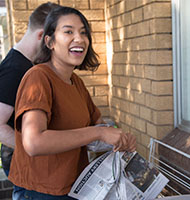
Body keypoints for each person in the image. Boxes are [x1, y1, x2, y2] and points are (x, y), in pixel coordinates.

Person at [8, 6, 136, 200]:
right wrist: (100, 132)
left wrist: (118, 138)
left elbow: (98, 124)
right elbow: (33, 142)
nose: (79, 38)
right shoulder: (38, 78)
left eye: (84, 33)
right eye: (68, 31)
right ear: (49, 41)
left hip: (74, 186)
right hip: (41, 192)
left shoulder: (76, 82)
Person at [0, 2, 60, 177]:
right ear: (42, 35)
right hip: (22, 164)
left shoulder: (27, 64)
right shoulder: (15, 69)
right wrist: (41, 148)